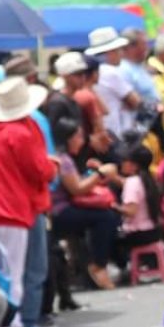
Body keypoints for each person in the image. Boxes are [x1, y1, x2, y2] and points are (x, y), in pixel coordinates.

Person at [0, 78, 59, 327]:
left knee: (7, 273)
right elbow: (40, 170)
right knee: (22, 274)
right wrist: (53, 166)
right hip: (17, 209)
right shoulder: (20, 133)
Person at [50, 118, 120, 290]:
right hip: (59, 211)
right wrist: (100, 173)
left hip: (65, 208)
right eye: (79, 137)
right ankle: (98, 264)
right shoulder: (63, 160)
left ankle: (94, 264)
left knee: (106, 215)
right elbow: (77, 189)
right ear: (69, 138)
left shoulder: (67, 158)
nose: (82, 141)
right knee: (106, 218)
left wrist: (94, 173)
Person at [85, 26, 141, 138]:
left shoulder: (90, 72)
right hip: (114, 133)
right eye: (119, 50)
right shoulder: (110, 72)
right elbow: (136, 101)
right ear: (110, 52)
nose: (122, 53)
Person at [114, 146, 164, 268]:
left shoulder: (132, 182)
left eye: (125, 161)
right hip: (153, 230)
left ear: (134, 165)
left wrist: (113, 206)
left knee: (108, 235)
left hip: (138, 234)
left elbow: (131, 211)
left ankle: (123, 267)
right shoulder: (149, 180)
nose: (121, 164)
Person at [118, 27, 161, 110]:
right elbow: (131, 102)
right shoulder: (124, 70)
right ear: (131, 47)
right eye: (144, 44)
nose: (147, 48)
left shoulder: (139, 66)